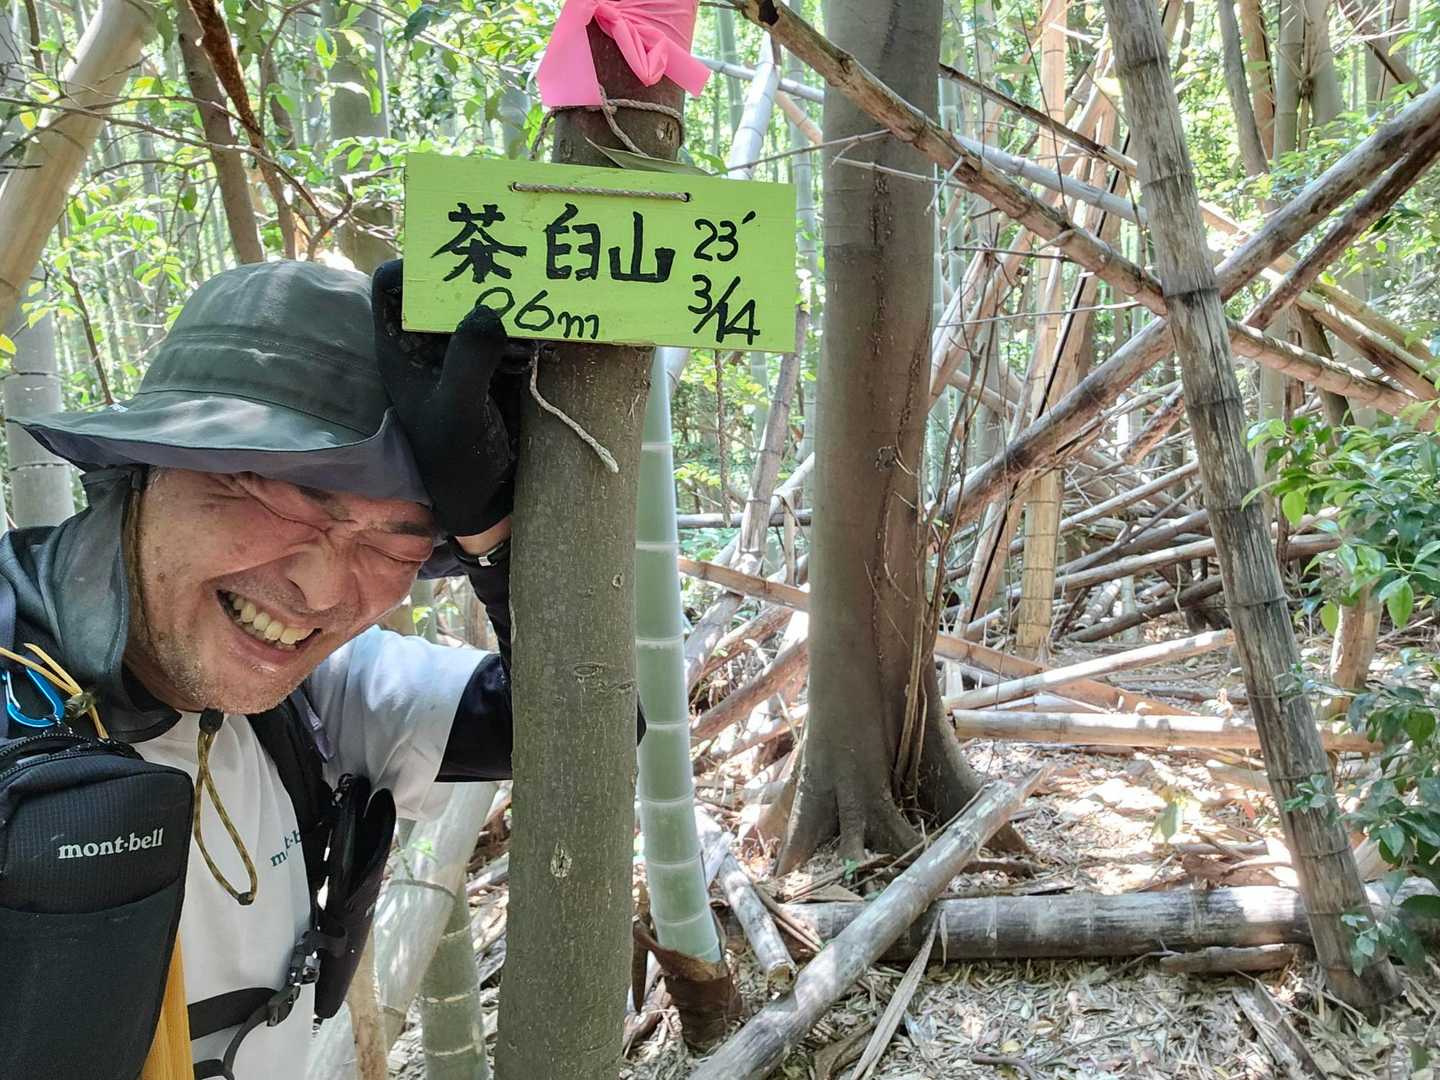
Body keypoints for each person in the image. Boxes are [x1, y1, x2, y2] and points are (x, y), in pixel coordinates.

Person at [3, 258, 531, 1076]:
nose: (319, 591)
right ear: (140, 471)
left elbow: (591, 720)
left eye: (394, 546)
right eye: (278, 500)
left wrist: (497, 543)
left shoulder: (317, 696)